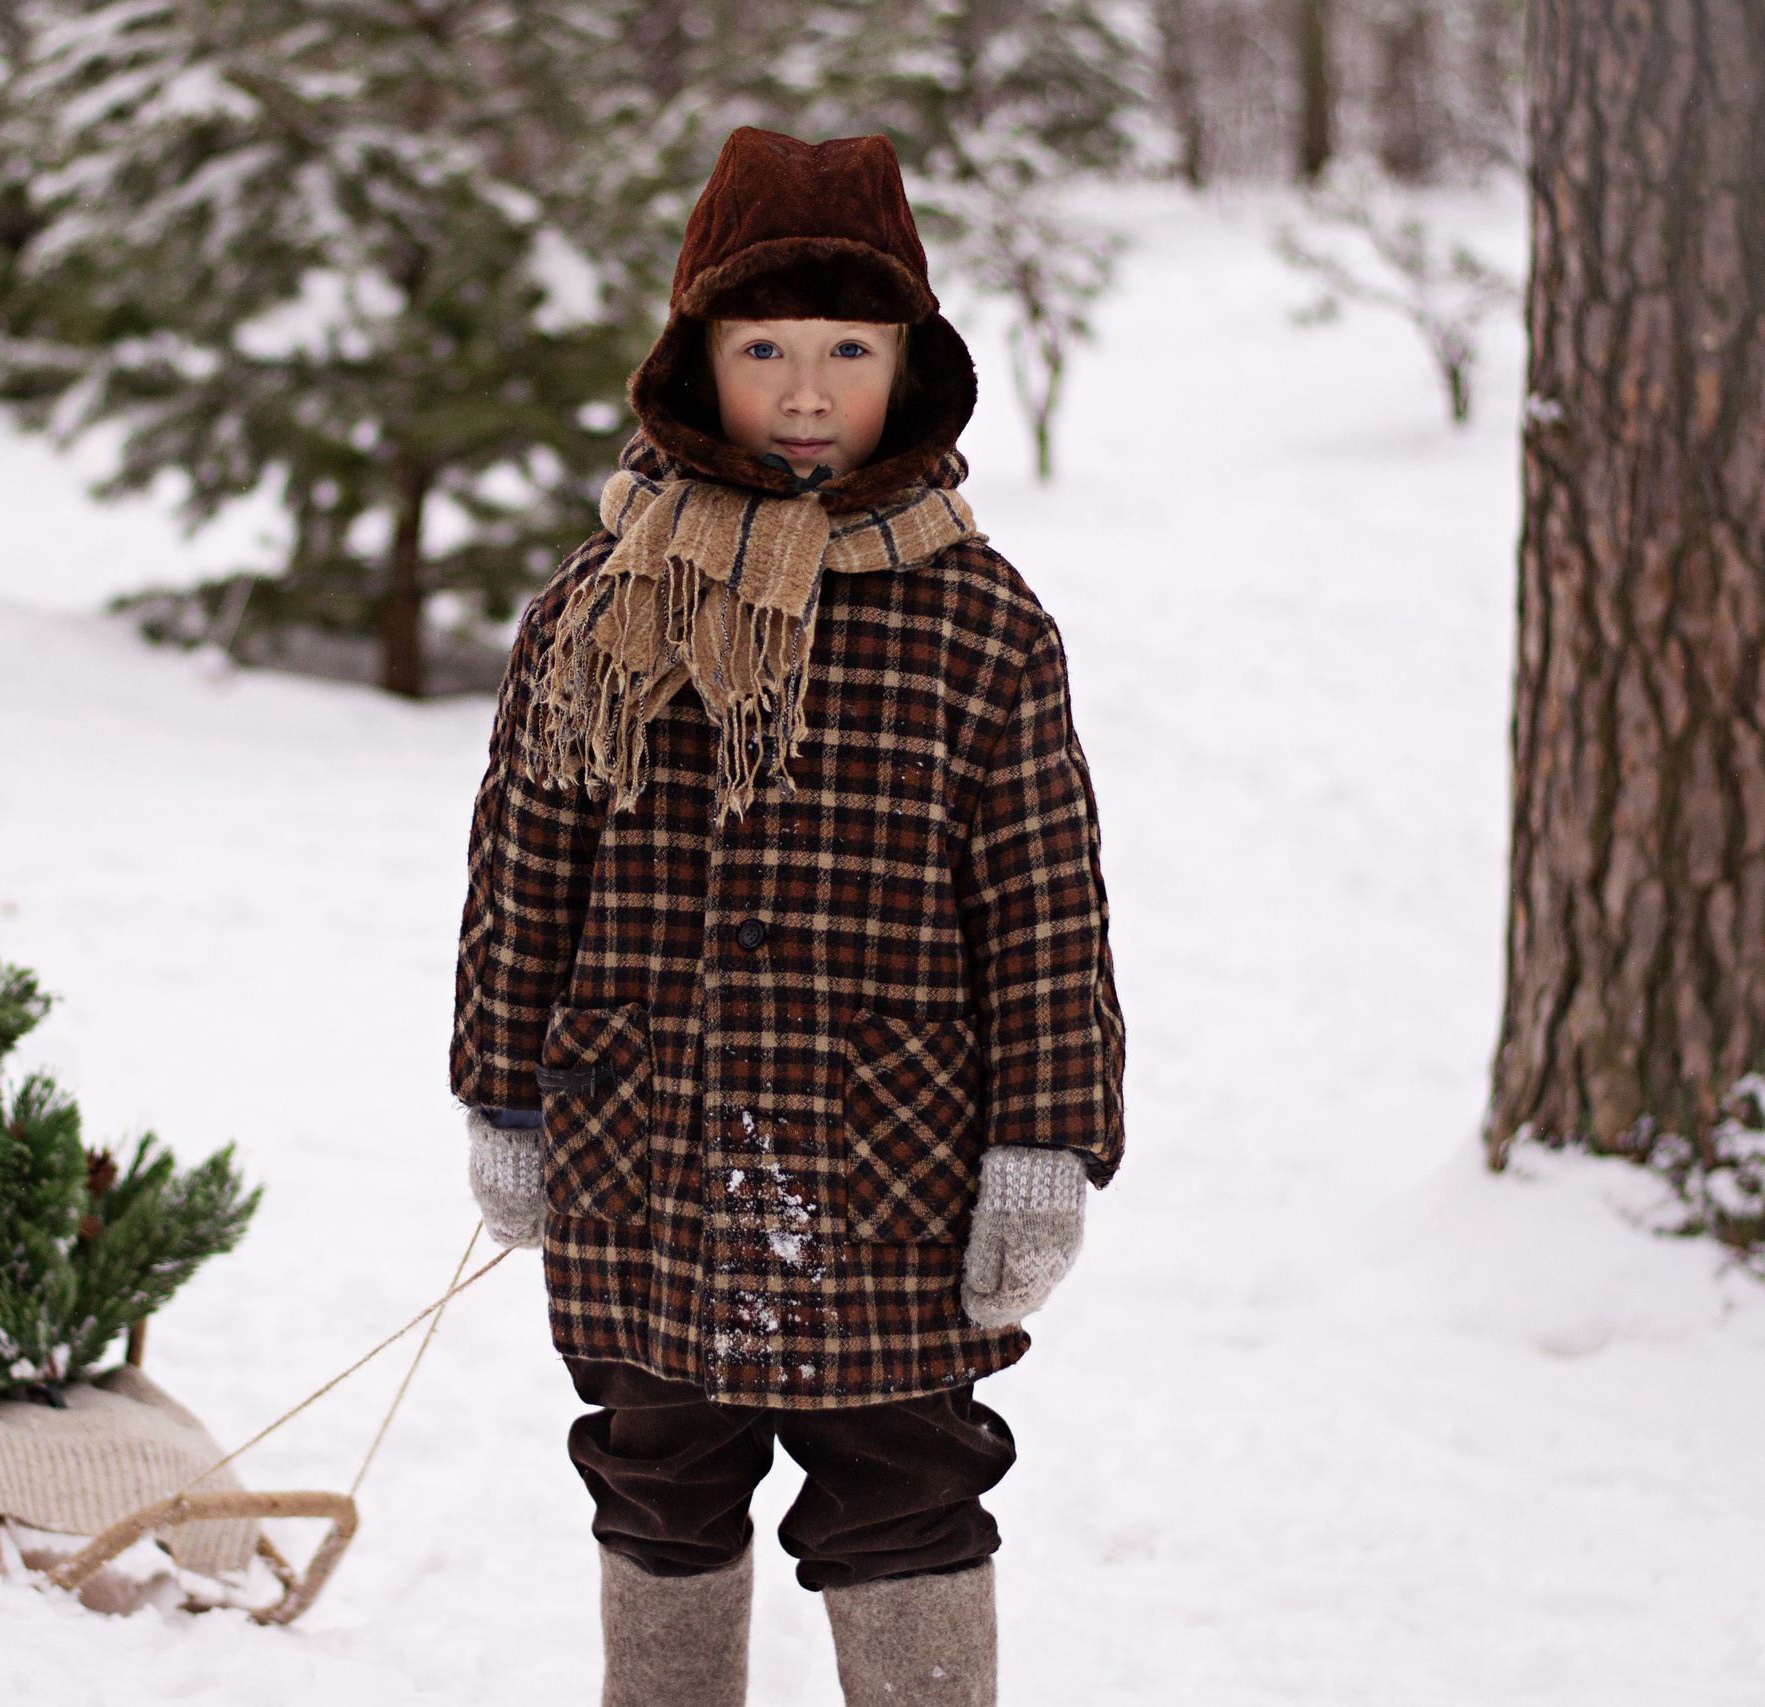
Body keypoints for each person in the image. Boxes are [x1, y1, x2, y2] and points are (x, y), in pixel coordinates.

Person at [449, 127, 1124, 1707]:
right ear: (696, 362)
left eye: (848, 349)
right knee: (658, 1479)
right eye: (763, 349)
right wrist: (505, 1092)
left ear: (913, 367)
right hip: (645, 1152)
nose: (806, 391)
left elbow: (1043, 908)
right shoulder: (604, 599)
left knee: (905, 1491)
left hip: (882, 1162)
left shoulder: (982, 622)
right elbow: (523, 865)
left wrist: (1042, 1146)